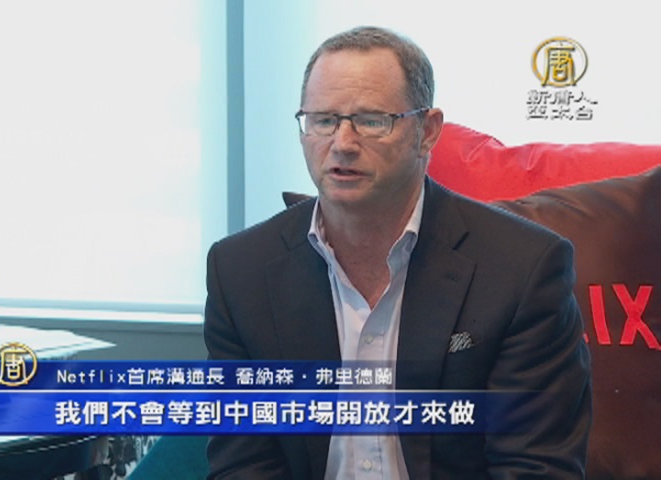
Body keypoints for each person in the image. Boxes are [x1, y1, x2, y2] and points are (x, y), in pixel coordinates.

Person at [204, 26, 591, 479]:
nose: (342, 144)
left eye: (372, 121)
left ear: (427, 132)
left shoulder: (522, 268)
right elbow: (243, 465)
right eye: (323, 120)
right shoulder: (240, 272)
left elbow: (535, 468)